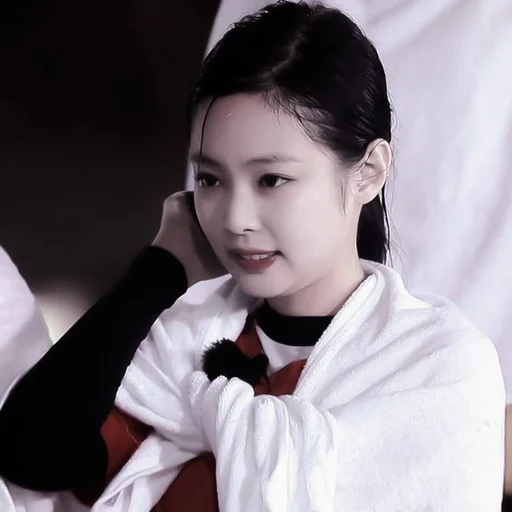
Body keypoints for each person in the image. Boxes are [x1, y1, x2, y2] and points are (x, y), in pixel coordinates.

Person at [0, 1, 505, 510]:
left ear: (368, 172)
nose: (235, 218)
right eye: (210, 179)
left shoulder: (436, 369)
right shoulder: (183, 340)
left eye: (271, 180)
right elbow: (30, 457)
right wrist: (159, 270)